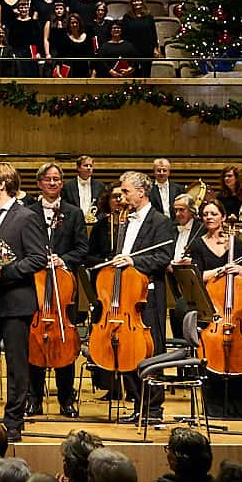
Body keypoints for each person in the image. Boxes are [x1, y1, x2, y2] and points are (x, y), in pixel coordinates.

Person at [0, 163, 50, 437]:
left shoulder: (27, 216)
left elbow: (38, 258)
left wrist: (4, 272)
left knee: (16, 365)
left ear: (2, 184)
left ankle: (14, 422)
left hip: (16, 301)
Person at [102, 173, 175, 415]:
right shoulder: (123, 220)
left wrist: (133, 261)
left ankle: (153, 408)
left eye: (125, 192)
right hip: (125, 295)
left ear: (141, 192)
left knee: (150, 349)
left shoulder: (160, 222)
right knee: (127, 349)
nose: (121, 196)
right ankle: (137, 403)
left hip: (149, 293)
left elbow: (163, 257)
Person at [25, 163, 88, 420]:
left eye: (57, 179)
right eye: (48, 179)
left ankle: (66, 399)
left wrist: (63, 260)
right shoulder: (28, 213)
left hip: (64, 286)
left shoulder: (74, 213)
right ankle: (34, 399)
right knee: (35, 343)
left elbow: (82, 248)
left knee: (65, 343)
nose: (52, 183)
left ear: (62, 183)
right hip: (37, 286)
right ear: (39, 183)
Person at [192, 197, 242, 418]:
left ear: (223, 217)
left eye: (214, 214)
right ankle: (214, 408)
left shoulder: (236, 244)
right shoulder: (198, 244)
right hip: (212, 309)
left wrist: (241, 271)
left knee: (241, 350)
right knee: (211, 349)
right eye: (205, 215)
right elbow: (197, 276)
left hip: (236, 312)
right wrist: (220, 270)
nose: (209, 218)